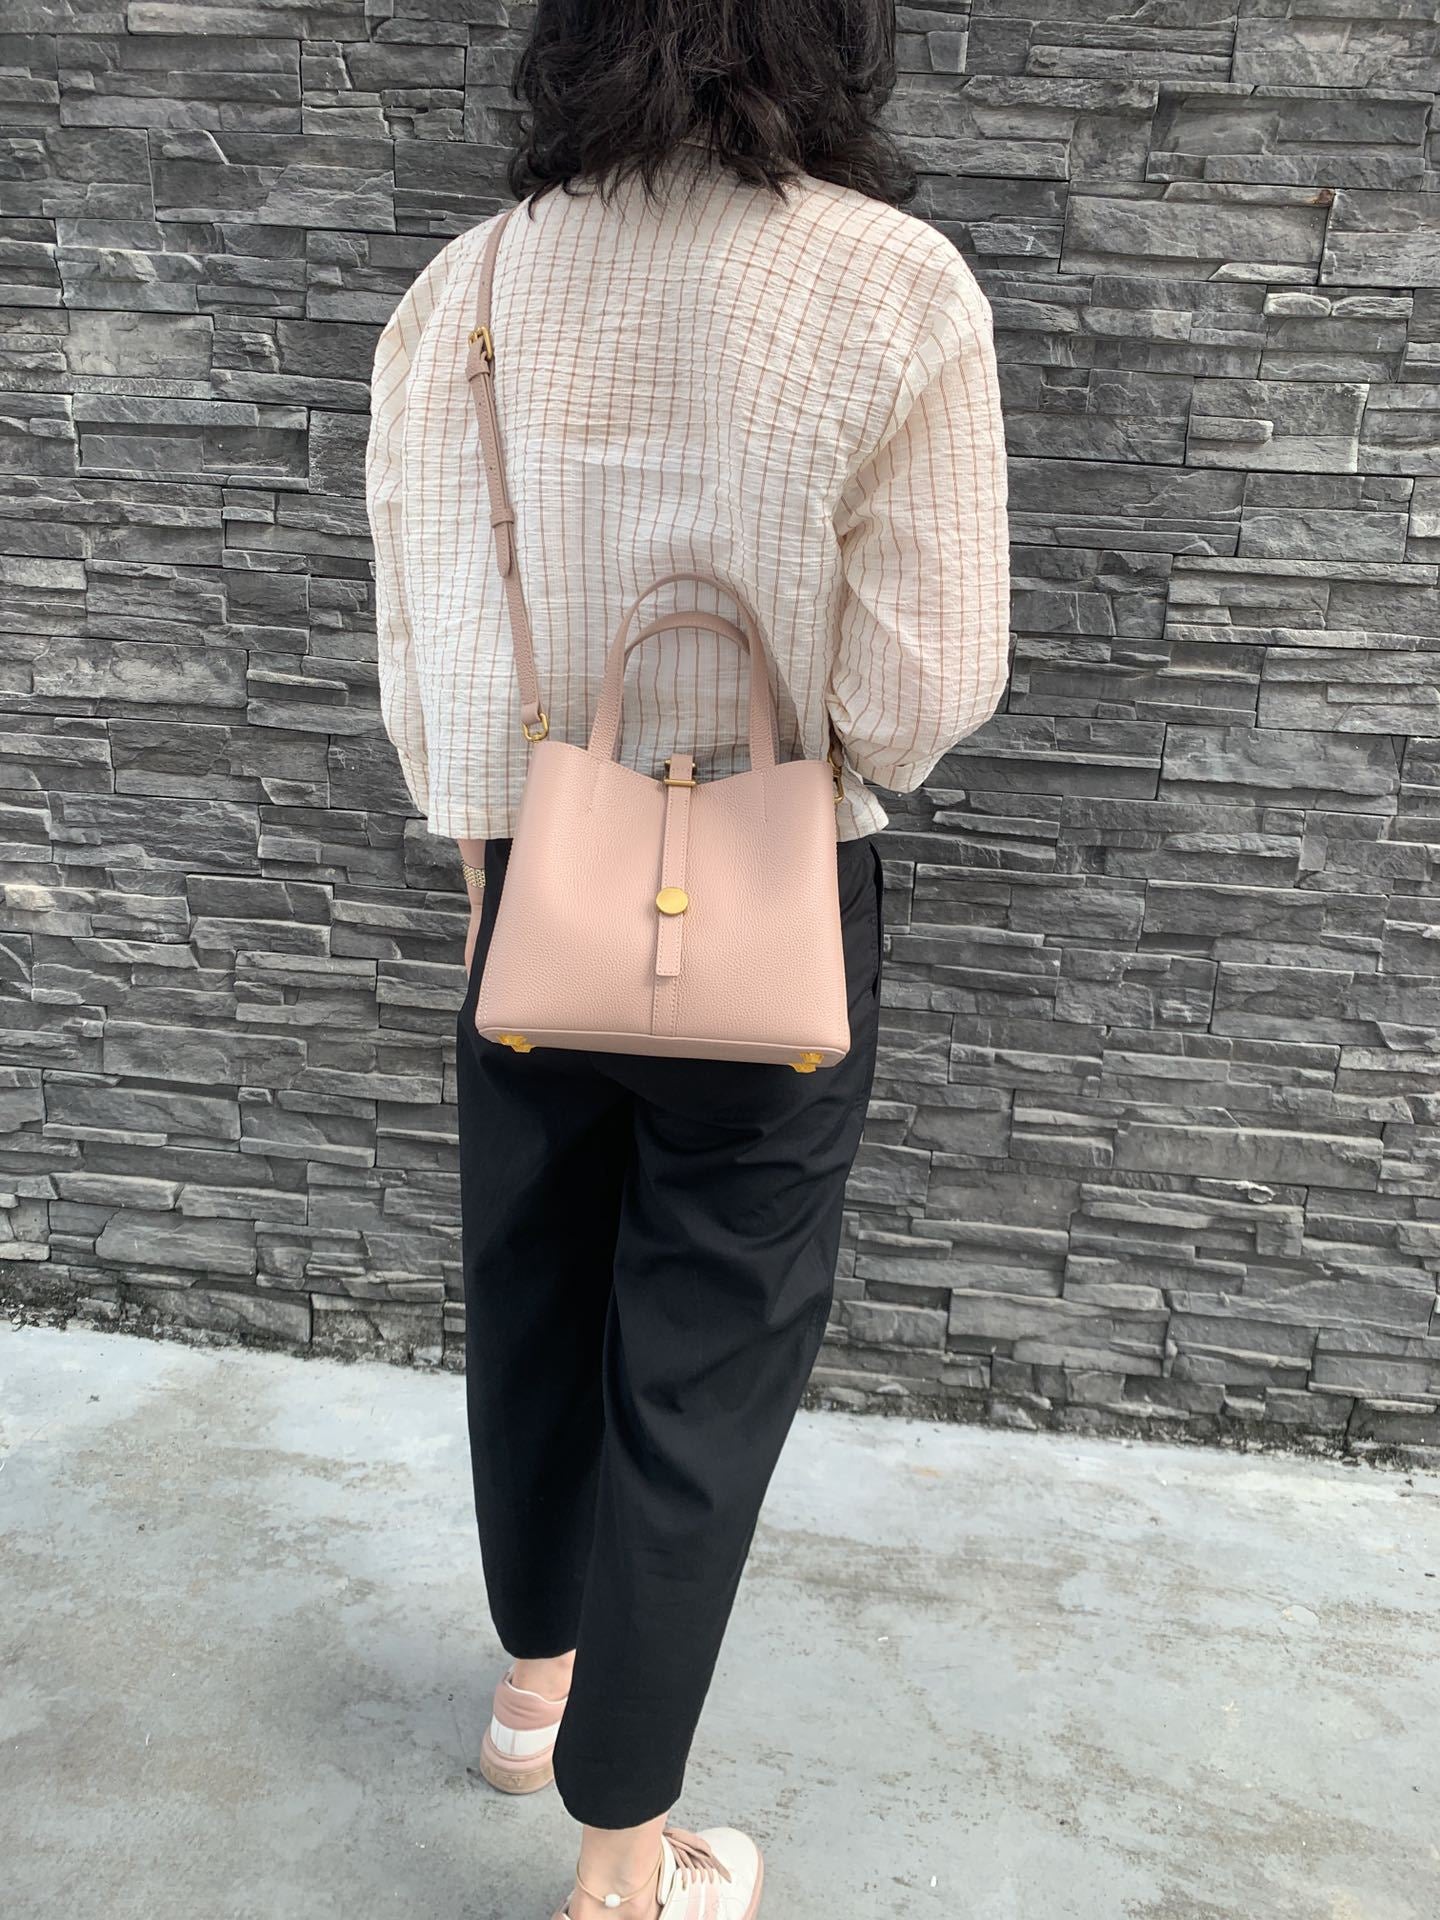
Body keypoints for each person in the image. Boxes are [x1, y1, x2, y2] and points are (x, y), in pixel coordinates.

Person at [364, 4, 1011, 1913]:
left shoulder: (471, 284)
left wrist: (497, 852)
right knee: (702, 1356)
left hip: (526, 898)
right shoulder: (893, 285)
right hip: (773, 907)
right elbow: (926, 677)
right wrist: (791, 776)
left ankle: (532, 1690)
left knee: (536, 1305)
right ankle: (627, 1862)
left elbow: (435, 636)